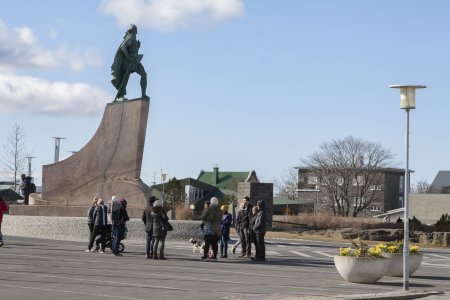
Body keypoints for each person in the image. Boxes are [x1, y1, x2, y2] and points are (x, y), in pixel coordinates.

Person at [111, 24, 149, 101]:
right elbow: (123, 47)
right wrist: (128, 57)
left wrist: (137, 47)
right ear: (134, 30)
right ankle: (120, 96)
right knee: (125, 79)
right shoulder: (131, 36)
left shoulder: (133, 37)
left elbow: (130, 48)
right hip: (129, 61)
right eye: (136, 29)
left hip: (135, 60)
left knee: (143, 74)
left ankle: (143, 94)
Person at [201, 197, 222, 261]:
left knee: (207, 243)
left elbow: (203, 217)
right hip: (217, 229)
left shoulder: (208, 209)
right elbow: (220, 219)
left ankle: (205, 256)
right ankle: (215, 256)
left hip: (209, 228)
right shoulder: (219, 210)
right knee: (215, 243)